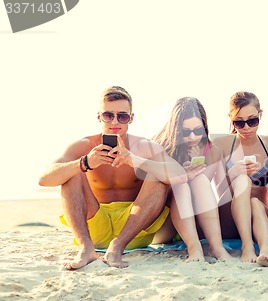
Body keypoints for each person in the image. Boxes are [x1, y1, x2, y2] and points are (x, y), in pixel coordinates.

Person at [38, 86, 186, 269]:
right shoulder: (84, 145)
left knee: (158, 176)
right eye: (108, 115)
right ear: (99, 116)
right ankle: (85, 249)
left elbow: (180, 175)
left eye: (122, 116)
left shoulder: (144, 146)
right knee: (71, 172)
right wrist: (85, 163)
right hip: (95, 227)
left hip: (133, 230)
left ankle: (116, 247)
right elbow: (44, 179)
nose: (115, 121)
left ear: (131, 119)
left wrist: (136, 160)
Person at [152, 97, 232, 261]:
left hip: (200, 223)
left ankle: (216, 247)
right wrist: (181, 173)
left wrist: (237, 175)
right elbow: (153, 194)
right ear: (175, 130)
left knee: (200, 180)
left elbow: (223, 193)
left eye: (198, 130)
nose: (193, 137)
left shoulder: (213, 151)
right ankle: (194, 249)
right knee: (182, 183)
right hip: (168, 224)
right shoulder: (161, 147)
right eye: (185, 132)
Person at [213, 91, 268, 266]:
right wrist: (233, 173)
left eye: (252, 120)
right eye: (239, 122)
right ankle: (247, 246)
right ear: (230, 119)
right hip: (229, 215)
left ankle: (266, 249)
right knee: (242, 181)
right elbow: (216, 189)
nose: (246, 127)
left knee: (255, 202)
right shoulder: (222, 145)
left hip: (260, 216)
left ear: (260, 115)